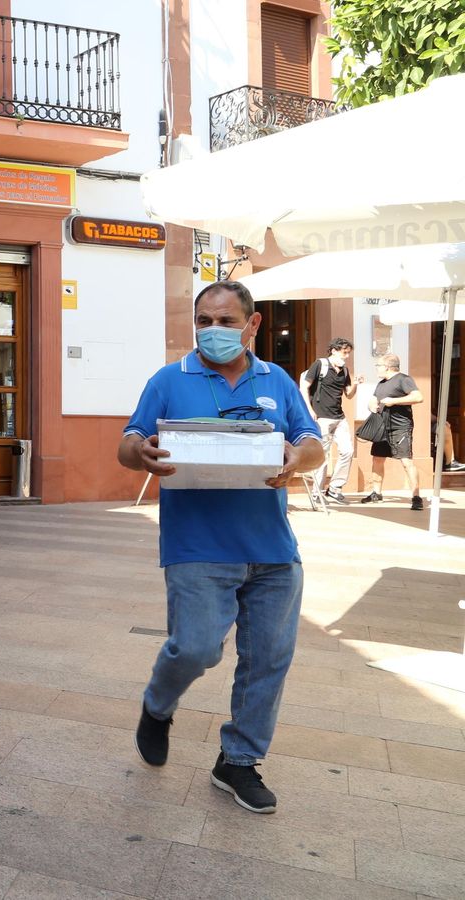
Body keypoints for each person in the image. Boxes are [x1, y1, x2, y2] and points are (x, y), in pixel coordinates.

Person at [118, 281, 325, 814]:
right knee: (196, 648)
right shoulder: (169, 379)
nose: (213, 331)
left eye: (226, 322)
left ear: (252, 325)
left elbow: (312, 443)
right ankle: (158, 705)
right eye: (204, 321)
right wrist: (141, 452)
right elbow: (128, 442)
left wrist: (296, 459)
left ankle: (239, 761)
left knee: (268, 660)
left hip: (273, 550)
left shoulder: (276, 380)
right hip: (197, 545)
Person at [298, 337, 361, 504]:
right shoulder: (320, 364)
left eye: (348, 353)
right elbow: (304, 386)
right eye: (344, 352)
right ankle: (317, 493)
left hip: (339, 417)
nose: (347, 356)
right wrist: (309, 410)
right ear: (334, 350)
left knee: (347, 451)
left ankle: (334, 488)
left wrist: (355, 384)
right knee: (322, 455)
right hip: (321, 417)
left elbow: (349, 394)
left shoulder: (344, 370)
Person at [361, 353, 425, 510]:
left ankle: (416, 497)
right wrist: (371, 405)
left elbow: (418, 397)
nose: (377, 369)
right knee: (377, 459)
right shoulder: (381, 383)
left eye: (378, 366)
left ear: (387, 367)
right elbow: (373, 399)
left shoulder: (404, 379)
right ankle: (376, 493)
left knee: (406, 461)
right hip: (382, 427)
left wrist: (394, 401)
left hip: (400, 427)